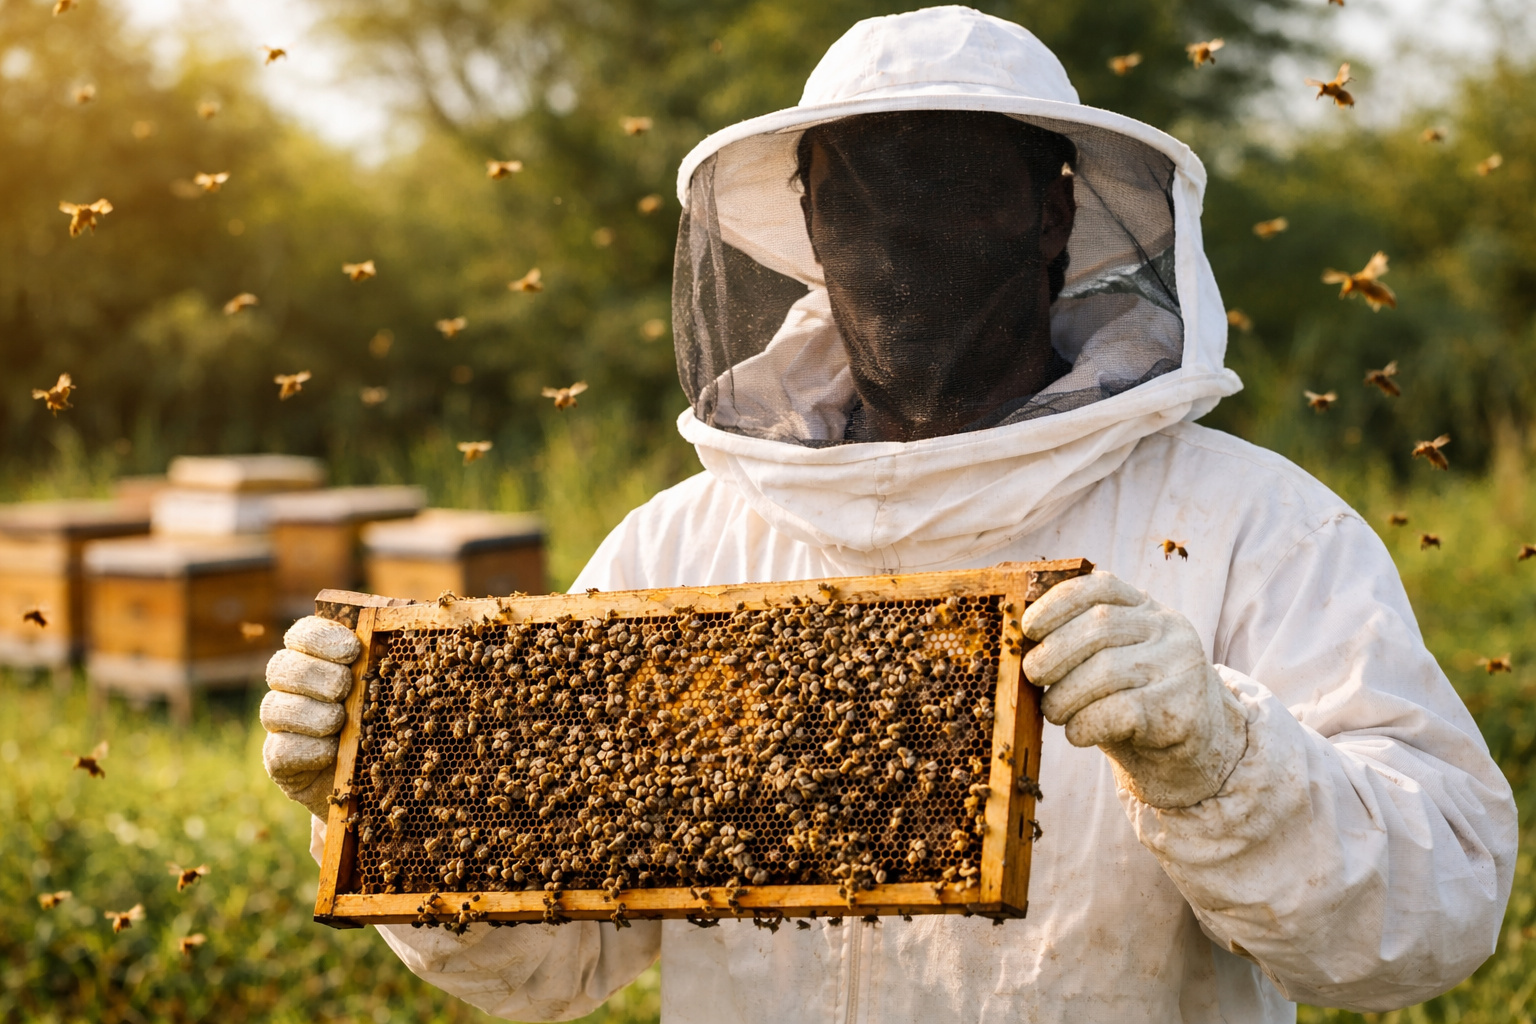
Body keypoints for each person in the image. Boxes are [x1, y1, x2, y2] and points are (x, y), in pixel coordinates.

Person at [261, 7, 1517, 1021]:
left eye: (950, 185)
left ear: (1052, 213)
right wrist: (380, 790)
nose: (901, 233)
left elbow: (1436, 914)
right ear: (809, 224)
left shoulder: (1251, 523)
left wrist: (1227, 759)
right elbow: (553, 961)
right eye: (861, 193)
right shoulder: (682, 545)